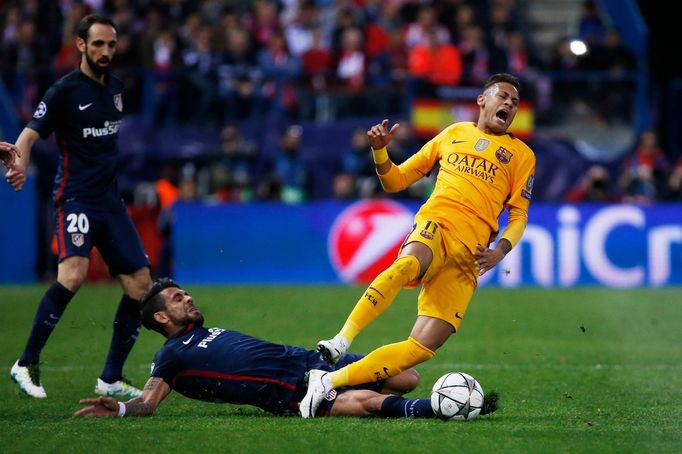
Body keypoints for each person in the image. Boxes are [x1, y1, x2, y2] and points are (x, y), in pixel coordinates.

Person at [301, 73, 535, 418]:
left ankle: (328, 380)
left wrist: (500, 250)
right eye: (503, 96)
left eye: (515, 102)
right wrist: (379, 150)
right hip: (436, 225)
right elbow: (395, 181)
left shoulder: (521, 155)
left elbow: (519, 216)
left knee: (422, 348)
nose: (509, 105)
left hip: (469, 257)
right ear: (482, 100)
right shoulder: (453, 134)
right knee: (406, 265)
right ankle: (342, 339)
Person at [73, 278, 499, 419]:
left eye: (185, 294)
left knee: (407, 375)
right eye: (177, 299)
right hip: (290, 391)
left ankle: (420, 398)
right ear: (161, 319)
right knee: (367, 401)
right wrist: (125, 409)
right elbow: (149, 400)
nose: (188, 299)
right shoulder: (170, 356)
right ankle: (442, 410)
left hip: (309, 360)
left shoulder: (207, 330)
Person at [3, 14, 151, 399]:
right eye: (98, 44)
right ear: (81, 45)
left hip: (110, 202)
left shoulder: (116, 90)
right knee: (73, 274)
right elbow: (30, 133)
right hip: (76, 199)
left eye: (111, 45)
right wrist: (17, 160)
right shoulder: (63, 92)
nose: (105, 51)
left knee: (140, 286)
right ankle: (25, 362)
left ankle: (111, 378)